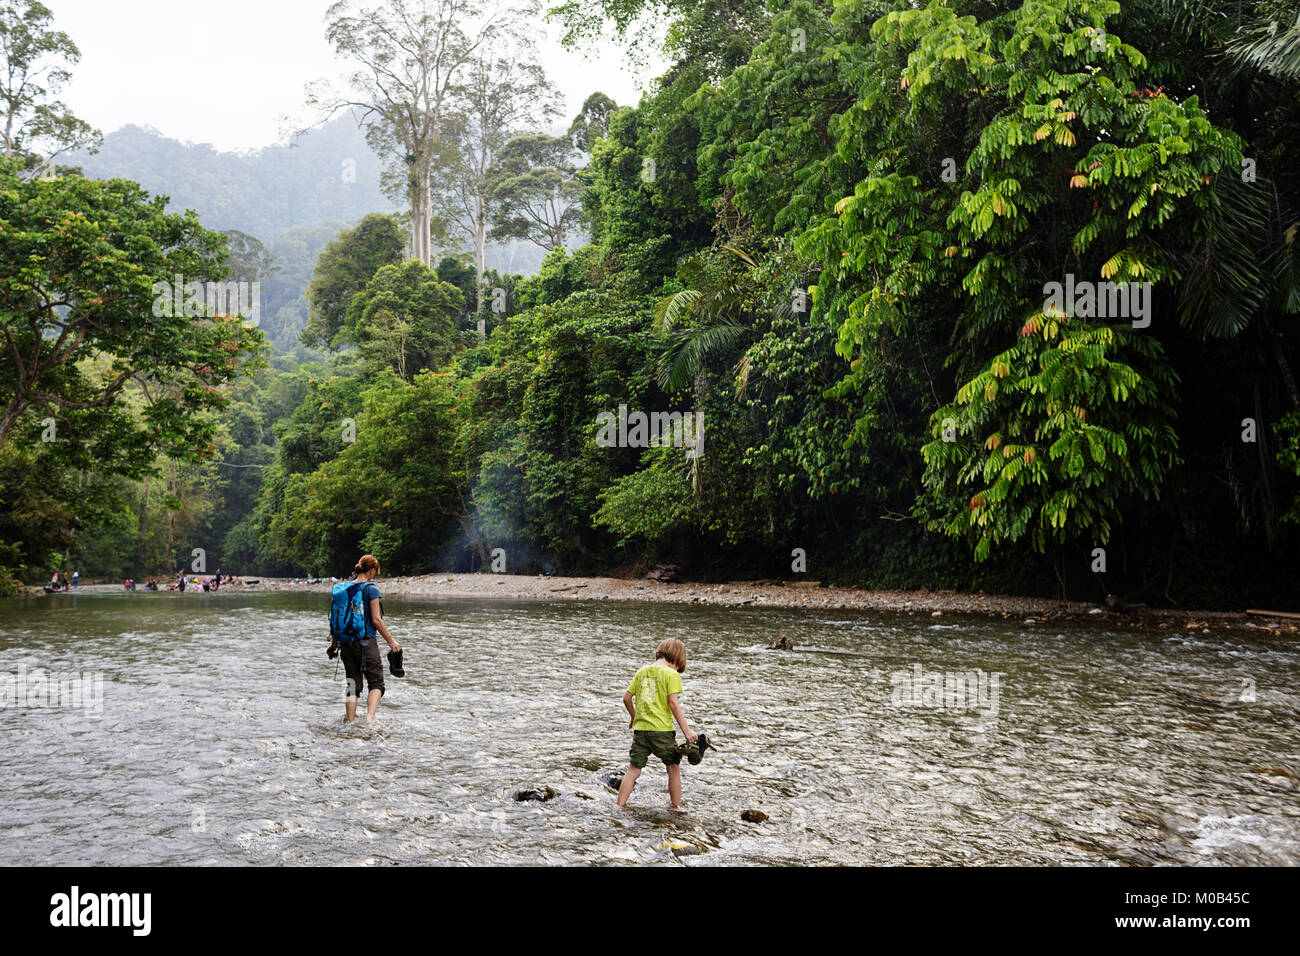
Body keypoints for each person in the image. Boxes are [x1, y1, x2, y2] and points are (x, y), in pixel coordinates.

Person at [616, 638, 697, 809]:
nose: (677, 670)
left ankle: (620, 807)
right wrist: (687, 731)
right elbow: (673, 703)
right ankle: (676, 808)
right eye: (678, 667)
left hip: (641, 730)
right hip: (662, 731)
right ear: (675, 659)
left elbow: (626, 698)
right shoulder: (671, 674)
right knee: (673, 767)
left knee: (634, 769)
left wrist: (634, 716)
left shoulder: (642, 672)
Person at [327, 554, 400, 726]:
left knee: (352, 683)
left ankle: (350, 722)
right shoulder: (371, 589)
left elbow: (336, 619)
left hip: (345, 645)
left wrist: (333, 645)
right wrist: (392, 642)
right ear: (372, 570)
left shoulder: (343, 589)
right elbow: (376, 619)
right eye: (376, 572)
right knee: (376, 683)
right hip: (365, 643)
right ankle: (370, 718)